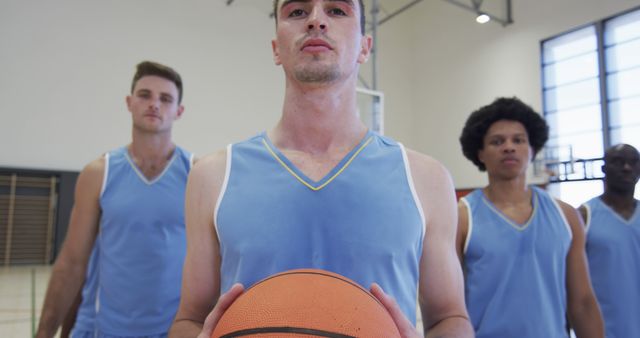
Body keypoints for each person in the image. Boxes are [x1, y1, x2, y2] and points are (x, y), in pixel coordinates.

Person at [169, 0, 473, 337]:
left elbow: (450, 318)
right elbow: (189, 319)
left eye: (337, 10)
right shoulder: (212, 176)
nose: (316, 20)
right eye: (297, 12)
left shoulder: (426, 178)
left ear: (364, 47)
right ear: (276, 49)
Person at [36, 61, 194, 338]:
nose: (154, 104)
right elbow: (72, 263)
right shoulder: (99, 173)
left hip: (171, 331)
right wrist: (45, 332)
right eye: (145, 95)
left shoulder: (196, 174)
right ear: (129, 102)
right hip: (104, 328)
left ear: (178, 111)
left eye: (165, 98)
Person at [456, 97, 604, 338]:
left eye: (518, 140)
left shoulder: (566, 216)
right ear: (480, 153)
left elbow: (583, 302)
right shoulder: (462, 217)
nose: (509, 147)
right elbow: (450, 309)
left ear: (532, 149)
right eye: (497, 141)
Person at [578, 143, 640, 338]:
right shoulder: (584, 215)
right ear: (604, 168)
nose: (626, 168)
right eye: (618, 162)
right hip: (602, 331)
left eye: (633, 162)